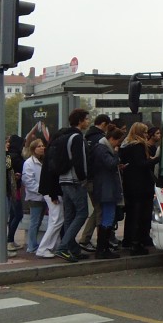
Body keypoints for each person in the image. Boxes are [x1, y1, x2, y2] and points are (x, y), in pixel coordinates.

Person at [54, 109, 92, 262]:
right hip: (75, 181)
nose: (88, 122)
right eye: (86, 119)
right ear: (80, 121)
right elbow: (79, 160)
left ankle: (72, 248)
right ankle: (63, 247)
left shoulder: (63, 137)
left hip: (63, 180)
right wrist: (83, 178)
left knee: (69, 216)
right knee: (82, 213)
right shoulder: (77, 137)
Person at [88, 125, 125, 259]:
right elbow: (110, 164)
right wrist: (116, 154)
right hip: (106, 189)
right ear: (112, 139)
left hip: (105, 187)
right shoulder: (103, 149)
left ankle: (102, 248)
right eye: (117, 142)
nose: (118, 145)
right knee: (108, 217)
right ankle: (102, 249)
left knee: (107, 217)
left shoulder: (99, 148)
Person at [76, 114, 111, 252]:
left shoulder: (87, 137)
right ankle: (89, 240)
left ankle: (86, 239)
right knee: (100, 211)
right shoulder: (101, 139)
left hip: (89, 178)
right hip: (97, 179)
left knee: (97, 210)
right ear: (104, 124)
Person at [121, 122, 155, 254]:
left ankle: (128, 240)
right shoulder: (139, 145)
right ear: (140, 133)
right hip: (141, 185)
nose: (147, 135)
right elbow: (141, 164)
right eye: (145, 132)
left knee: (131, 214)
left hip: (129, 184)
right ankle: (137, 243)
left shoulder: (125, 145)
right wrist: (155, 160)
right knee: (140, 215)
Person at [35, 132, 65, 258]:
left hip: (49, 191)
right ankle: (44, 247)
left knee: (56, 220)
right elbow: (52, 175)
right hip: (52, 191)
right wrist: (53, 195)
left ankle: (48, 246)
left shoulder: (50, 153)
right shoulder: (54, 153)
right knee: (56, 220)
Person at [21, 137, 46, 254]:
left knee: (38, 221)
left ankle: (34, 244)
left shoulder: (43, 161)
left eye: (42, 146)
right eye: (39, 146)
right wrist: (41, 190)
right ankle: (31, 245)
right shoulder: (29, 163)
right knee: (35, 221)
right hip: (35, 196)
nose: (42, 148)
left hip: (43, 196)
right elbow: (28, 181)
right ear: (33, 149)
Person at [5, 135, 25, 252]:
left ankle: (10, 239)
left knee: (13, 214)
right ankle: (9, 239)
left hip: (12, 189)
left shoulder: (9, 156)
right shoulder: (16, 158)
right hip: (14, 189)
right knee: (18, 214)